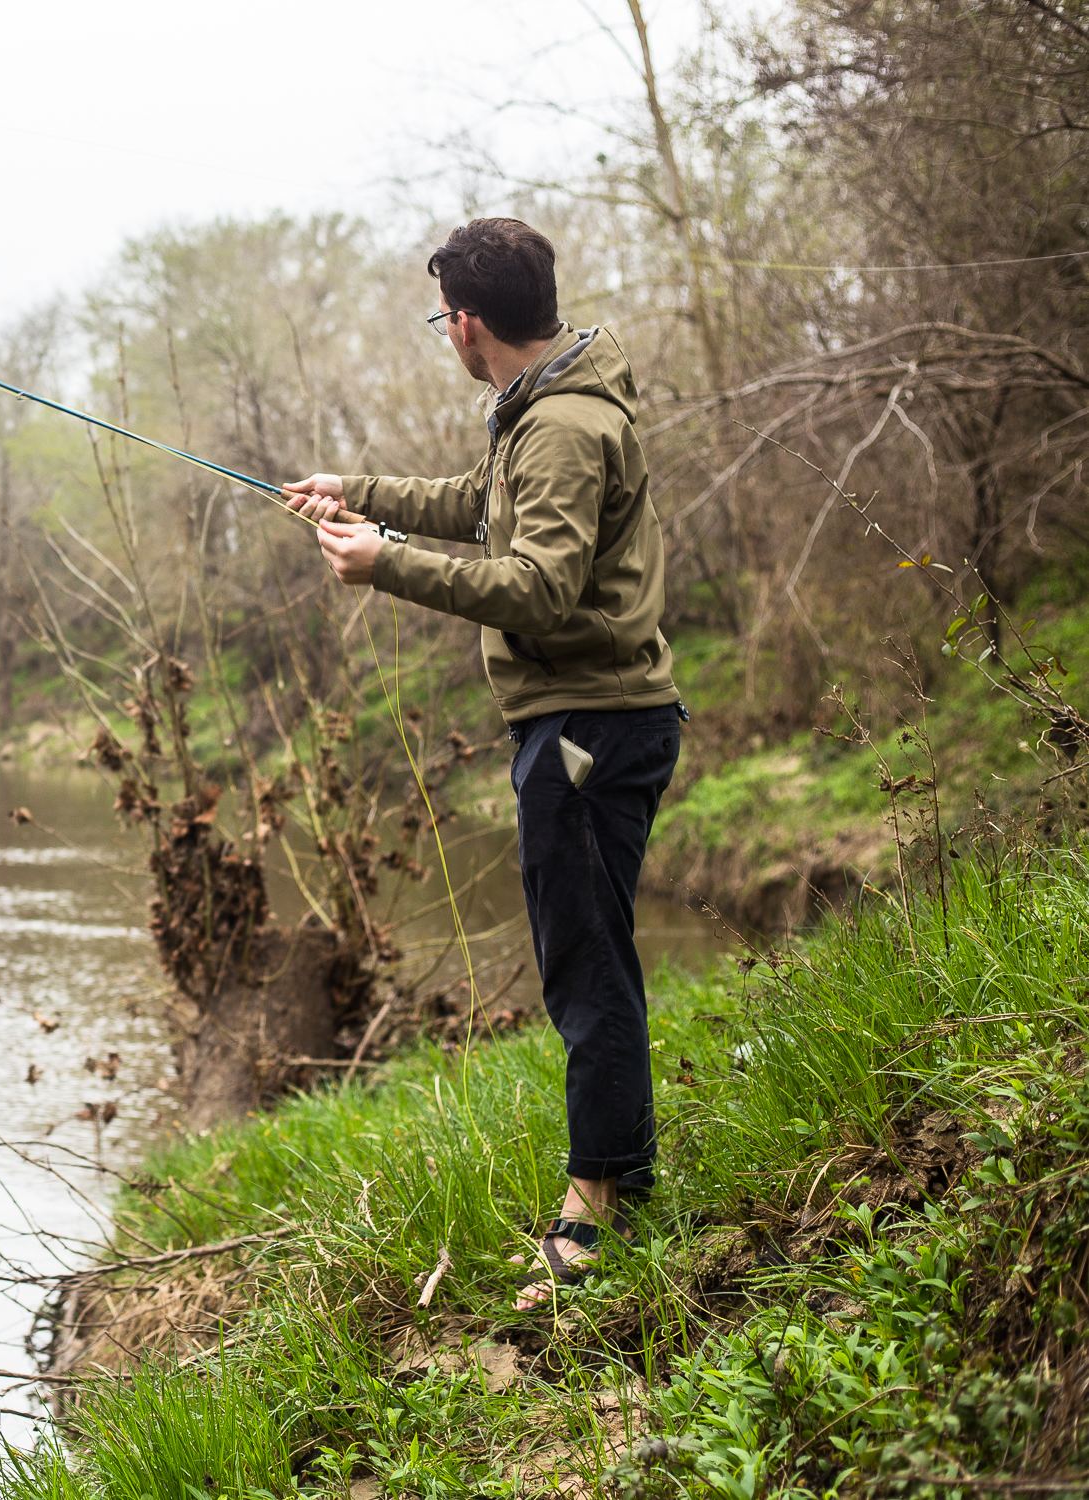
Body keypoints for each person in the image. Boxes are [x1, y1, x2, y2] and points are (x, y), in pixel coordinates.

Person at [282, 217, 684, 1310]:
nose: (444, 337)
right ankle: (621, 1170)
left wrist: (387, 566)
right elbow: (476, 503)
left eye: (440, 321)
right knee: (594, 957)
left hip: (590, 727)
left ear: (466, 324)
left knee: (585, 969)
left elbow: (540, 586)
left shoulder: (557, 428)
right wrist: (356, 494)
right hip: (585, 721)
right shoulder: (542, 406)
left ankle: (596, 1202)